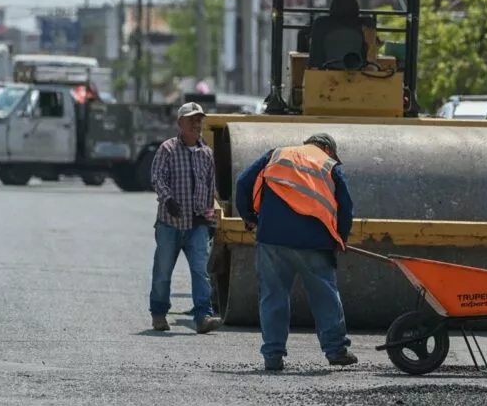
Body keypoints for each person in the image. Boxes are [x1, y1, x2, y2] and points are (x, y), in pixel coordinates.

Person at [234, 133, 357, 371]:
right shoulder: (329, 165)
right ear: (328, 149)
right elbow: (346, 209)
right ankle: (335, 350)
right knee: (325, 296)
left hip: (272, 239)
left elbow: (242, 182)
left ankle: (272, 356)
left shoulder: (276, 154)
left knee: (273, 296)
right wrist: (339, 240)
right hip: (315, 242)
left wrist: (250, 217)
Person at [147, 101, 222, 334]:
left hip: (197, 224)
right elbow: (157, 177)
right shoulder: (167, 149)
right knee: (163, 272)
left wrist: (209, 219)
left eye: (199, 120)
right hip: (170, 224)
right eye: (191, 120)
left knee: (201, 271)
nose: (196, 124)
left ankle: (203, 316)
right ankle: (159, 314)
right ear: (180, 123)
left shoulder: (206, 153)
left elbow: (210, 188)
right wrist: (167, 199)